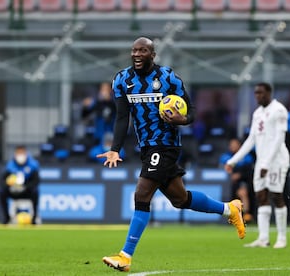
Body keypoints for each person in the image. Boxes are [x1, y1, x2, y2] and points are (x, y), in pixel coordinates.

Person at [97, 37, 245, 272]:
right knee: (180, 199)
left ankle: (125, 256)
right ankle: (230, 209)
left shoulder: (168, 78)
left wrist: (183, 119)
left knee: (142, 194)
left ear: (152, 55)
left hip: (165, 145)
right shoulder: (122, 80)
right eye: (134, 50)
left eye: (142, 51)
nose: (136, 54)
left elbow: (192, 110)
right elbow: (122, 117)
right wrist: (115, 148)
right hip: (146, 147)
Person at [224, 82, 290, 249]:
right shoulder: (257, 113)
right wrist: (233, 160)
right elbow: (251, 140)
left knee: (277, 196)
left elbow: (279, 138)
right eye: (255, 93)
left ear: (268, 92)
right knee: (261, 197)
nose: (257, 96)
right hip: (262, 161)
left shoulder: (279, 110)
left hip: (276, 160)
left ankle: (282, 238)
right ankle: (263, 238)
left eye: (260, 93)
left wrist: (267, 162)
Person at [0, 145, 40, 224]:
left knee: (35, 192)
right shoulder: (10, 166)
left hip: (27, 191)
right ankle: (7, 218)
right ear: (15, 154)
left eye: (22, 153)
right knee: (2, 192)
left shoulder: (33, 165)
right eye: (18, 153)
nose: (20, 155)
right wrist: (8, 184)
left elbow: (36, 181)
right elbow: (2, 181)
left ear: (26, 153)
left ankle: (34, 218)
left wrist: (25, 187)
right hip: (14, 191)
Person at [219, 137, 255, 222]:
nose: (233, 146)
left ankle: (246, 214)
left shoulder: (247, 157)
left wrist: (240, 175)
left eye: (235, 144)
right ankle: (234, 216)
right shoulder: (226, 157)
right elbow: (222, 169)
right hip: (229, 183)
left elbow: (250, 171)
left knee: (242, 192)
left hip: (243, 181)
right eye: (231, 145)